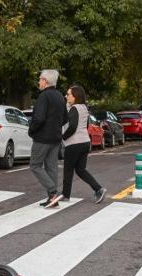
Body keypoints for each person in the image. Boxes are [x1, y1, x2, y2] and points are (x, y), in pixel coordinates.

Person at [60, 85, 106, 204]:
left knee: (68, 170)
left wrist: (63, 137)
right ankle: (99, 189)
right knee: (81, 170)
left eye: (68, 94)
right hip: (85, 142)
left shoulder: (74, 109)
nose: (66, 96)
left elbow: (72, 126)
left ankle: (65, 195)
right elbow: (85, 126)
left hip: (74, 144)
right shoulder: (84, 108)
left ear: (75, 96)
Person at [29, 69, 65, 208]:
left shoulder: (43, 97)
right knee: (51, 168)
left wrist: (31, 130)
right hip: (56, 138)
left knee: (35, 165)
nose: (38, 81)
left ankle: (53, 191)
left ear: (45, 81)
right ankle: (52, 199)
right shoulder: (60, 96)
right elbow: (65, 118)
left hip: (42, 138)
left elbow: (38, 118)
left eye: (40, 79)